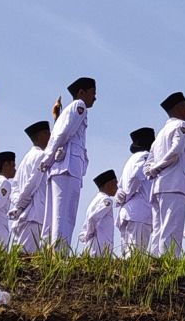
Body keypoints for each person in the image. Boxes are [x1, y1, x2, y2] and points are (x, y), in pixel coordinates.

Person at [40, 77, 96, 251]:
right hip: (67, 167)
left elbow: (61, 131)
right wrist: (48, 157)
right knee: (64, 215)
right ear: (81, 93)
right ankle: (59, 254)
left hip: (61, 166)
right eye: (93, 93)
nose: (95, 98)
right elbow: (64, 134)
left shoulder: (69, 110)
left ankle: (48, 252)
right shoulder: (80, 106)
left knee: (54, 215)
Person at [145, 92, 185, 256]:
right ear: (178, 107)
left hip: (158, 186)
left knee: (158, 230)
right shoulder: (181, 126)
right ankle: (168, 266)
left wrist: (152, 170)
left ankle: (155, 264)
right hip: (174, 184)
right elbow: (176, 152)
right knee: (171, 230)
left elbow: (147, 163)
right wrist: (157, 167)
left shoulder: (160, 134)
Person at [8, 121, 51, 253]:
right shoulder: (41, 156)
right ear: (40, 136)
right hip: (34, 213)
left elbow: (14, 188)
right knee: (27, 257)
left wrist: (18, 206)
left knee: (20, 256)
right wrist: (21, 205)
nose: (51, 138)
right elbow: (32, 183)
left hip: (24, 214)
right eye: (48, 134)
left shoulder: (26, 158)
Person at [115, 127, 155, 254]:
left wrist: (123, 198)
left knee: (128, 254)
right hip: (139, 212)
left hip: (129, 211)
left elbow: (119, 188)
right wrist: (128, 194)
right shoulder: (145, 157)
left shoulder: (130, 160)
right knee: (136, 255)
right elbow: (135, 177)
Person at [78, 169, 117, 256]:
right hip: (99, 246)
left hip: (96, 245)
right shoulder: (107, 200)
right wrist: (89, 234)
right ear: (109, 184)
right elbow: (93, 218)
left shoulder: (96, 200)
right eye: (115, 184)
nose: (117, 187)